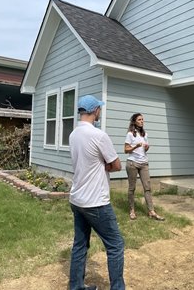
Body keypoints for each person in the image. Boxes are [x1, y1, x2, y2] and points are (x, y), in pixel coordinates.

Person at [69, 95, 125, 290]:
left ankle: (76, 287)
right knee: (115, 245)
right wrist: (105, 165)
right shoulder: (99, 135)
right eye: (99, 109)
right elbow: (117, 165)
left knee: (80, 245)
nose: (100, 111)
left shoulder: (74, 134)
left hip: (77, 199)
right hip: (96, 202)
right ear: (95, 111)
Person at [124, 113, 165, 221]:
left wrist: (147, 147)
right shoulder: (130, 134)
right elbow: (126, 150)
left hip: (144, 163)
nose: (142, 121)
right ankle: (132, 210)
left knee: (147, 188)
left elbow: (144, 150)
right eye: (139, 119)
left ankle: (151, 211)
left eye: (142, 119)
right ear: (134, 121)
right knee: (132, 188)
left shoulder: (144, 134)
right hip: (132, 163)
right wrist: (135, 146)